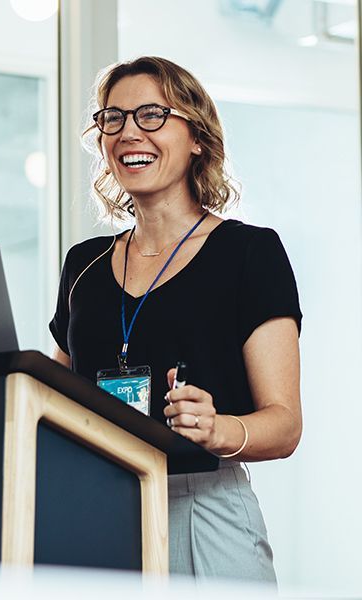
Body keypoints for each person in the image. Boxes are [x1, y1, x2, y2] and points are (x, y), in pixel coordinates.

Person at [49, 56, 302, 584]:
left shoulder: (249, 252)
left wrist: (216, 428)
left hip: (203, 508)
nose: (126, 133)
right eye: (111, 118)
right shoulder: (84, 265)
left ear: (197, 138)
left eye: (151, 115)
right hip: (98, 511)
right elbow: (56, 403)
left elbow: (284, 425)